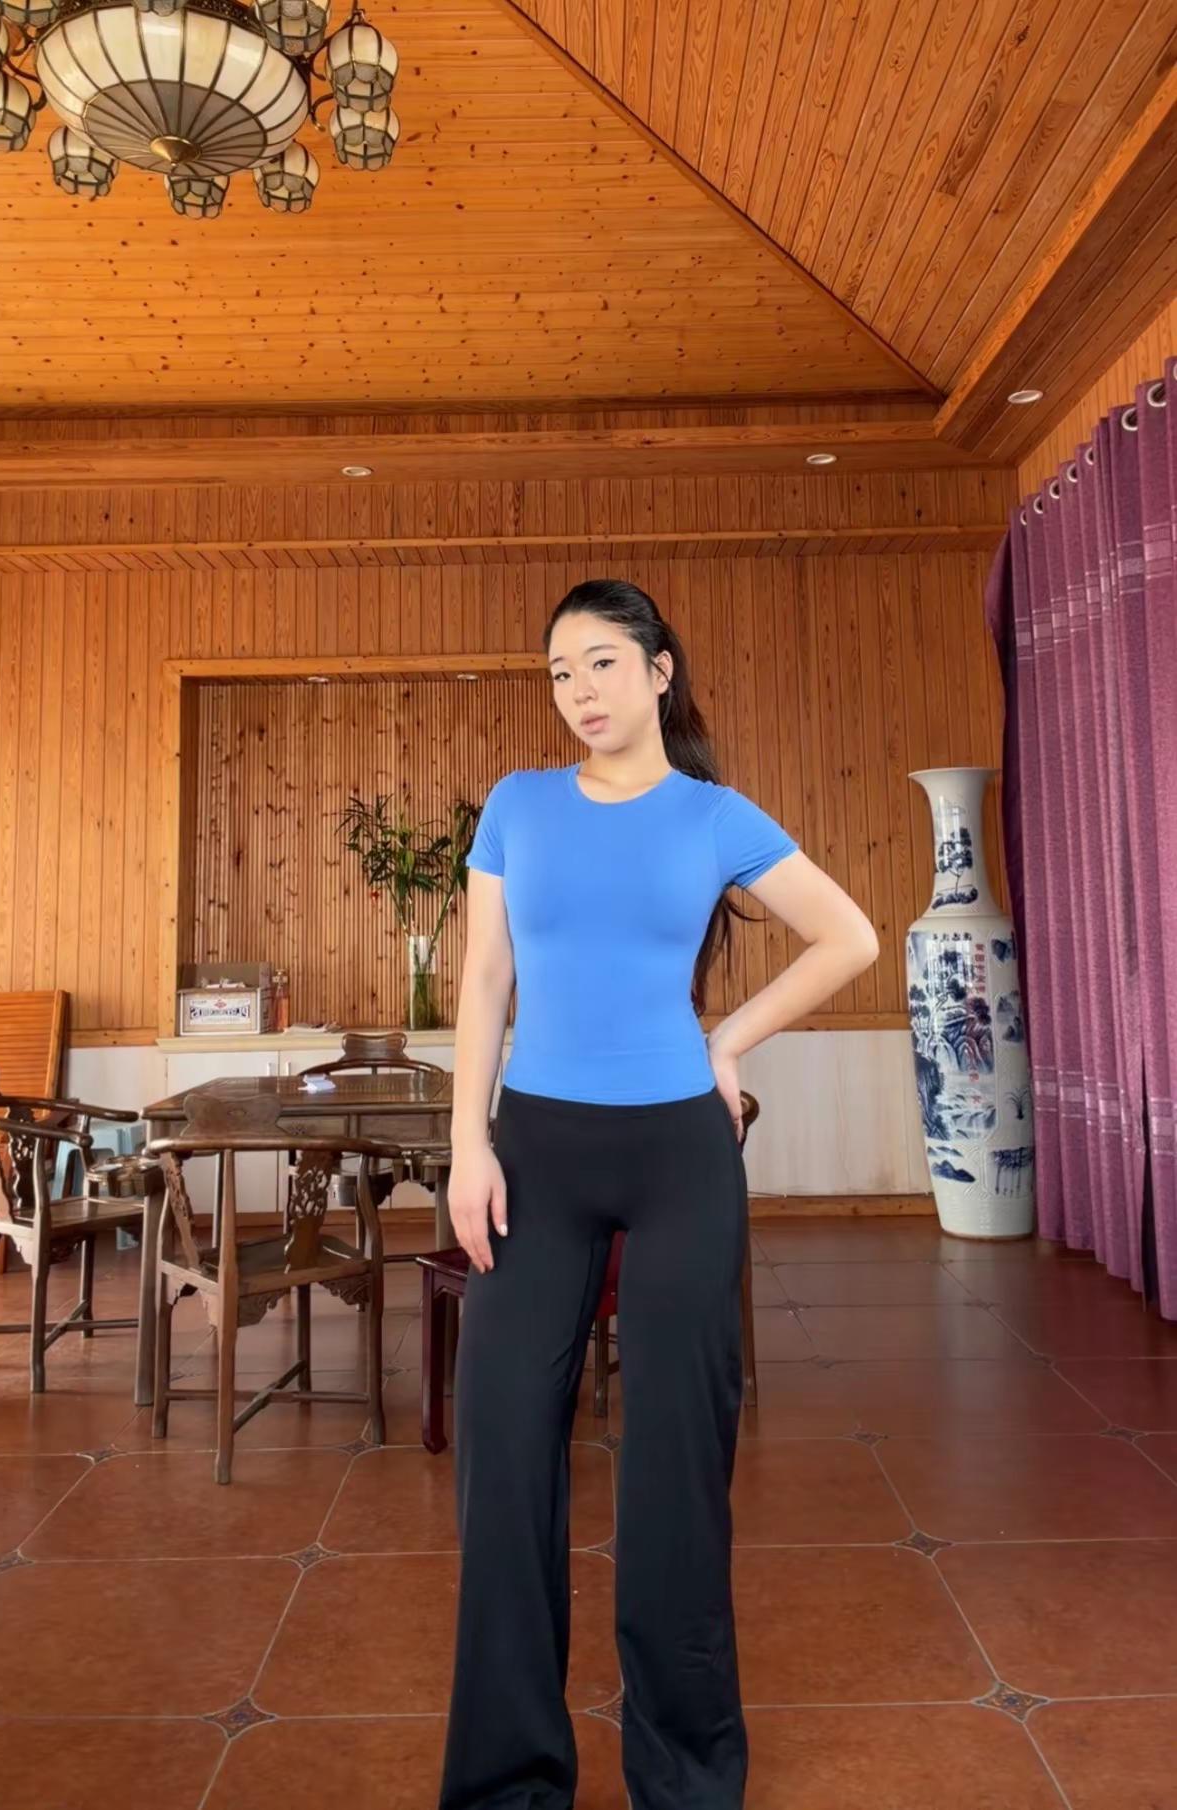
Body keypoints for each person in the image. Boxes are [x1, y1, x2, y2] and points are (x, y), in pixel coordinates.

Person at [438, 578, 879, 1810]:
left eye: (601, 662)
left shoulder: (713, 814)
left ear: (659, 670)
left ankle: (685, 1779)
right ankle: (508, 1781)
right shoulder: (518, 806)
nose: (579, 691)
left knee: (677, 1473)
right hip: (536, 1151)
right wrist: (467, 1145)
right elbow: (485, 981)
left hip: (681, 1153)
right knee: (503, 1457)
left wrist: (724, 1040)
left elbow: (850, 937)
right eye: (559, 672)